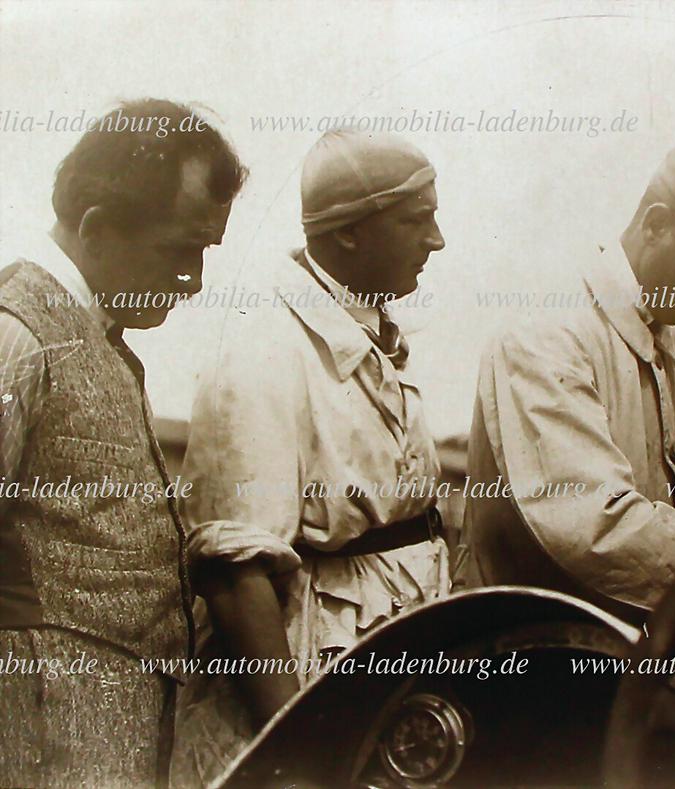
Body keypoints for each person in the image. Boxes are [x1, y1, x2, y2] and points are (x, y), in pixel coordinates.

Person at [172, 130, 449, 786]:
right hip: (309, 682)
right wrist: (297, 753)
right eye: (416, 220)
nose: (436, 240)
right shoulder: (263, 349)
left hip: (385, 670)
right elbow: (236, 574)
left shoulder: (370, 332)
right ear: (348, 233)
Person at [0, 98, 246, 787]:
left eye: (205, 252)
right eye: (180, 250)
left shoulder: (100, 339)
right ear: (97, 227)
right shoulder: (16, 335)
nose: (194, 281)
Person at [461, 140, 675, 622]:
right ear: (657, 225)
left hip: (632, 640)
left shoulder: (672, 347)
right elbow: (594, 523)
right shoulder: (547, 330)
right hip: (530, 642)